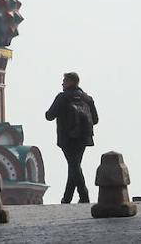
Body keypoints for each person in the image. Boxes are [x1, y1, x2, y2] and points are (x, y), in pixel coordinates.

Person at [45, 71, 99, 203]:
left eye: (64, 80)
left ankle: (84, 195)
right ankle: (67, 197)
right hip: (84, 137)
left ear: (70, 82)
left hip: (67, 137)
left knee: (74, 165)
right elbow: (95, 119)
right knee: (74, 165)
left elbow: (49, 116)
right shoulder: (87, 98)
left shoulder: (62, 97)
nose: (62, 83)